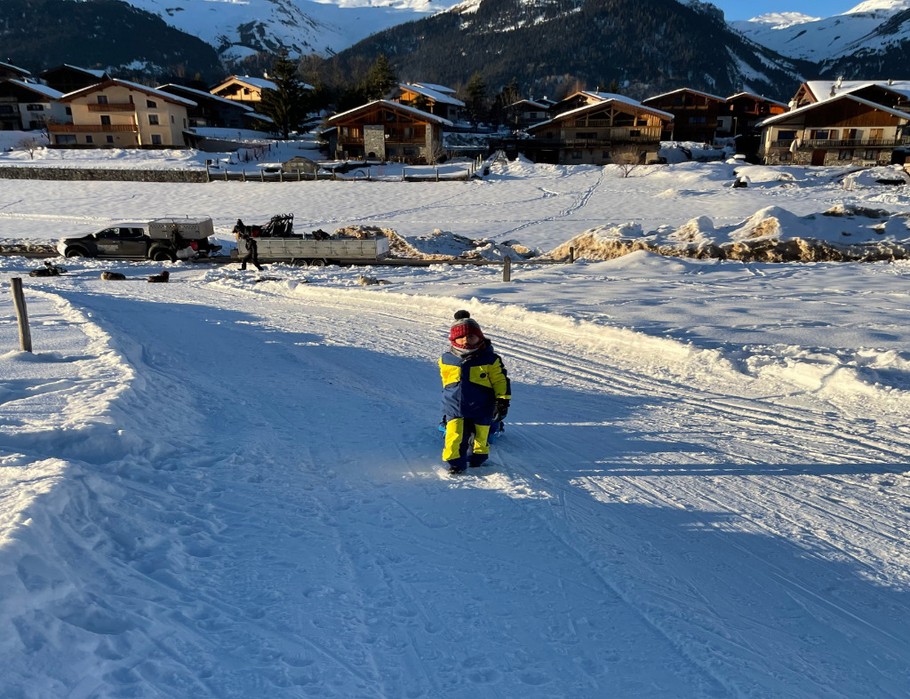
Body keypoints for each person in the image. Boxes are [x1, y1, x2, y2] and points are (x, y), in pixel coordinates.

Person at [439, 310, 511, 474]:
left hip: (482, 405)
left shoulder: (490, 359)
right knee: (454, 436)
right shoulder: (446, 359)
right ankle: (455, 463)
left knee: (481, 436)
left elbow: (500, 380)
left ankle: (477, 459)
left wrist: (502, 400)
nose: (466, 340)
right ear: (453, 339)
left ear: (480, 338)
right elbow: (446, 380)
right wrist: (449, 396)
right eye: (461, 337)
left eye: (471, 337)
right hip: (455, 406)